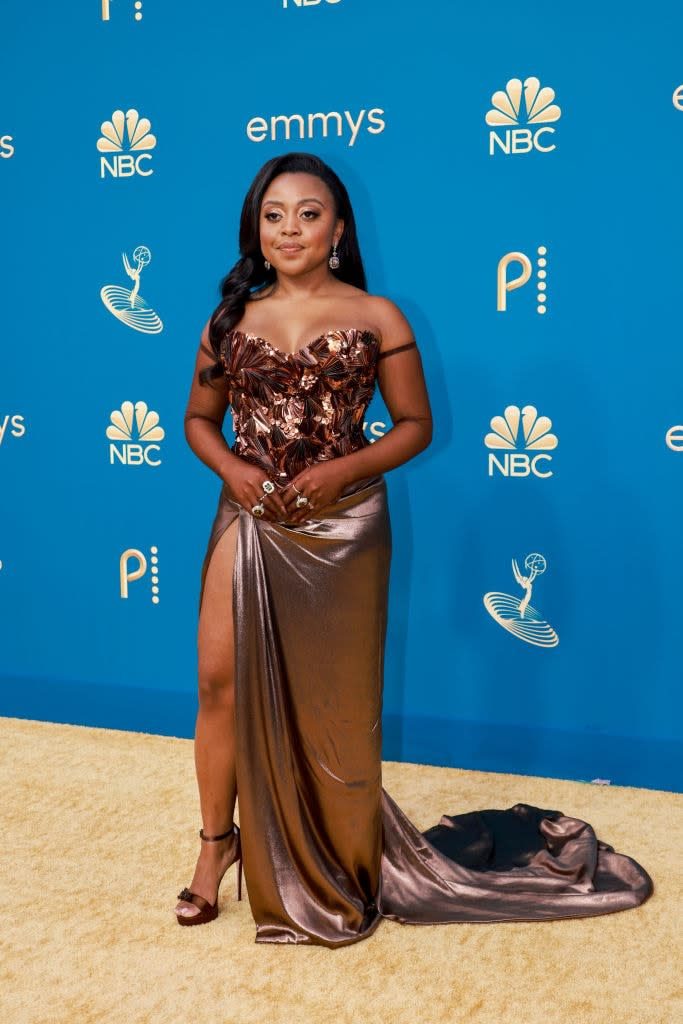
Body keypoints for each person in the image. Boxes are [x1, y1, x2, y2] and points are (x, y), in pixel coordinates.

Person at [174, 152, 652, 946]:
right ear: (255, 233)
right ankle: (215, 848)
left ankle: (338, 856)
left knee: (336, 710)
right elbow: (196, 421)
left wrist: (338, 473)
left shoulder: (379, 316)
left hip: (344, 528)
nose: (290, 228)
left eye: (309, 213)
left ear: (337, 229)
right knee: (218, 683)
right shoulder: (229, 321)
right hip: (248, 518)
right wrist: (236, 472)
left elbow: (414, 426)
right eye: (273, 215)